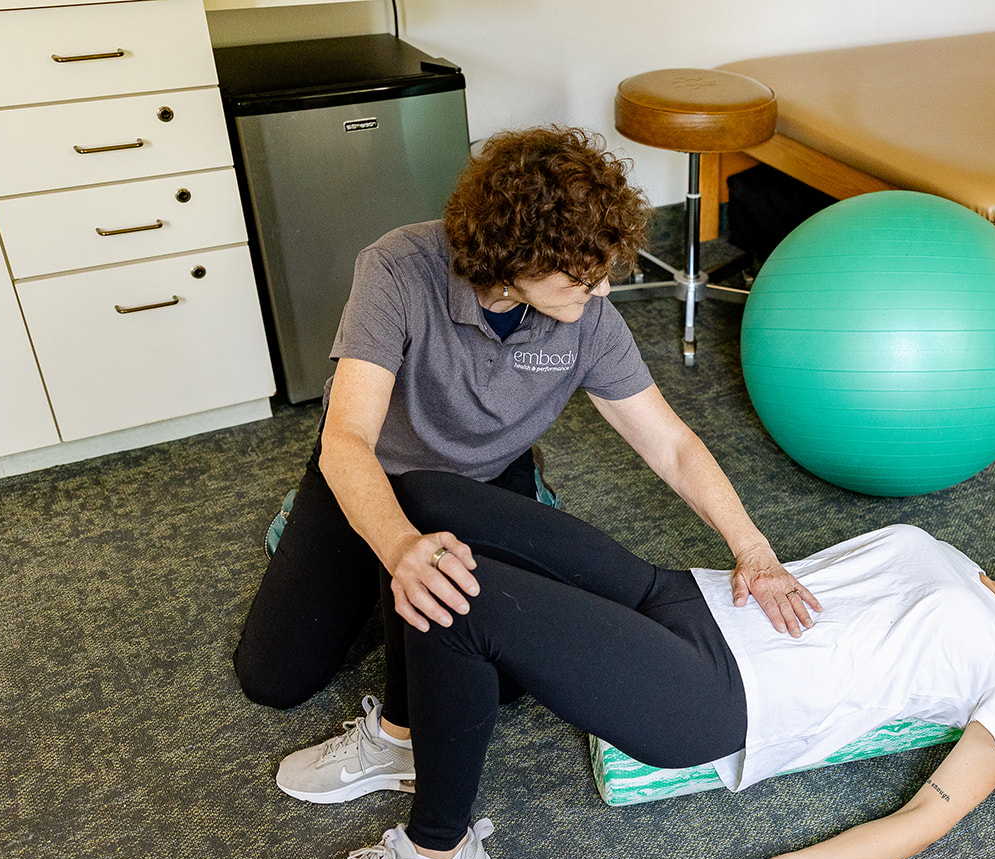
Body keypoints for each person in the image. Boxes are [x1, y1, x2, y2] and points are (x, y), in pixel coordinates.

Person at [278, 475, 995, 859]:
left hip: (713, 697)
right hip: (686, 597)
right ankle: (406, 735)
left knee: (462, 603)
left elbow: (928, 818)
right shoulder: (954, 559)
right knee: (432, 508)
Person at [234, 127, 819, 743]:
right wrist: (399, 545)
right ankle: (324, 535)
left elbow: (672, 446)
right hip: (374, 469)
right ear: (519, 260)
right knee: (273, 679)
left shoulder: (591, 321)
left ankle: (513, 508)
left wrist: (753, 550)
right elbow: (347, 438)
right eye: (580, 278)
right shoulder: (398, 270)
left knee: (509, 680)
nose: (603, 291)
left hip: (485, 483)